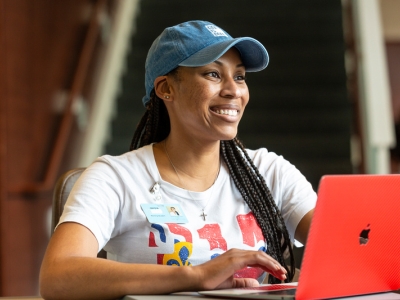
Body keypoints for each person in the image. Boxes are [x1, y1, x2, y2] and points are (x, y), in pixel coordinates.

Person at [39, 20, 316, 299]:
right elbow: (58, 276)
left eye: (240, 76)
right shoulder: (115, 177)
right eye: (213, 74)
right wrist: (196, 276)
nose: (234, 90)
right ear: (166, 88)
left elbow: (347, 246)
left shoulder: (269, 172)